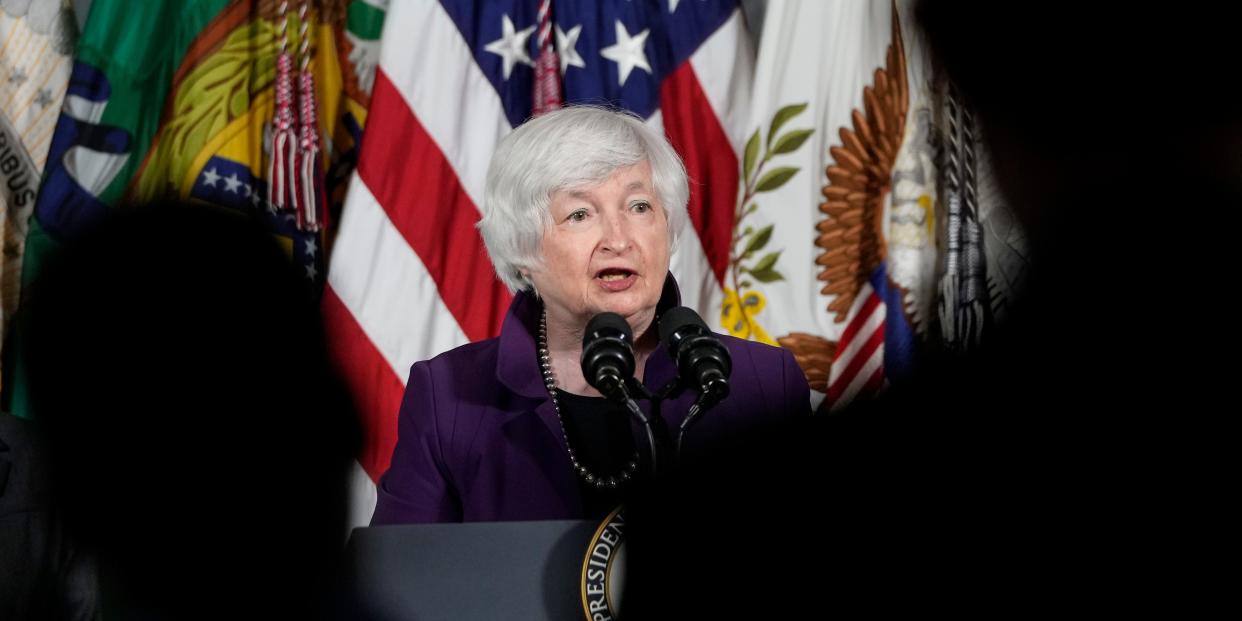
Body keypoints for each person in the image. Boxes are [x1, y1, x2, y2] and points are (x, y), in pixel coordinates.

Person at [371, 105, 812, 524]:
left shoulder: (764, 384)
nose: (618, 239)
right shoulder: (449, 398)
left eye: (639, 207)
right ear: (522, 250)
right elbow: (402, 582)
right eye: (580, 214)